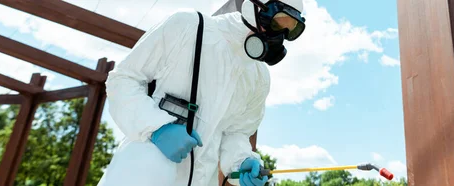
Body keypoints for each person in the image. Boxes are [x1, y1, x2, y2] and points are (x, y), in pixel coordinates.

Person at [97, 0, 306, 185]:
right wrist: (156, 127)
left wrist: (242, 161)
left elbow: (236, 133)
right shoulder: (188, 26)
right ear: (254, 7)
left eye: (290, 30)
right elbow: (123, 79)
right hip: (142, 174)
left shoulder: (258, 77)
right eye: (278, 22)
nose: (279, 36)